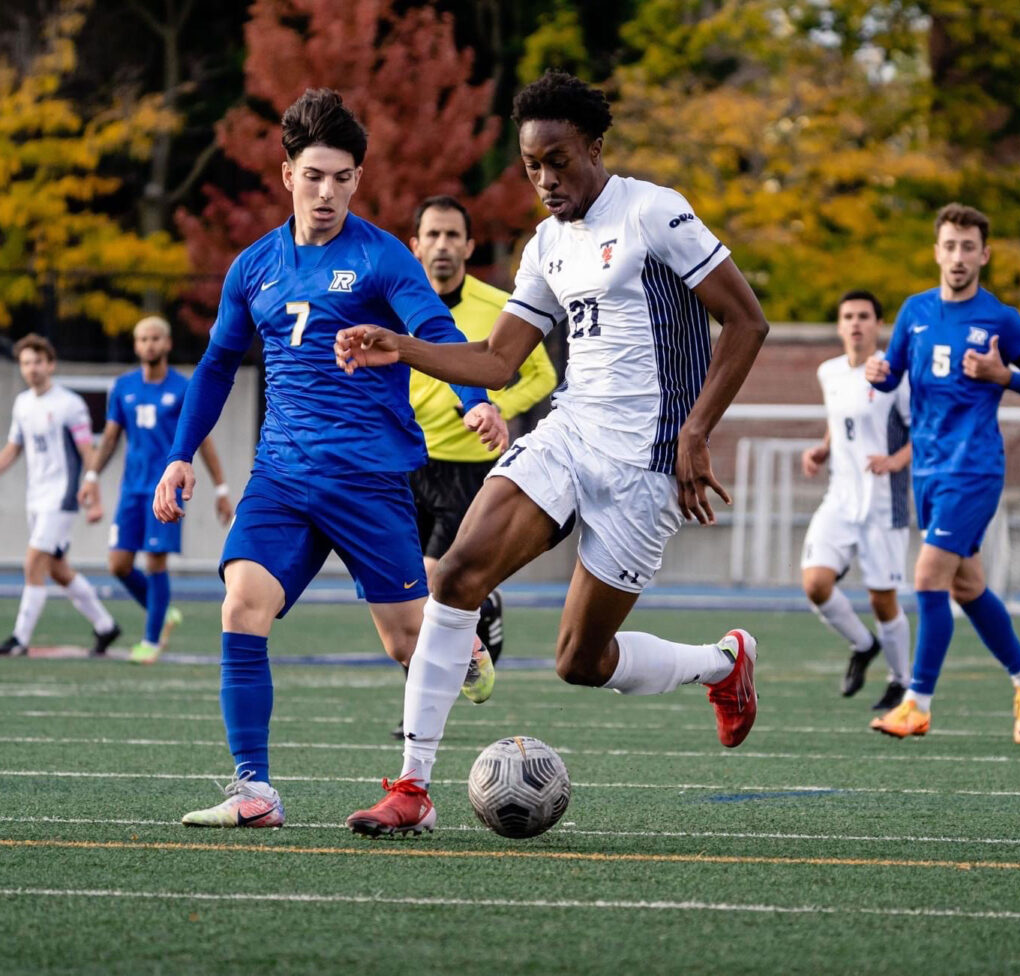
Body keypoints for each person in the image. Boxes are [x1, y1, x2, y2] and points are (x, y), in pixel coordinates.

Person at [337, 70, 769, 837]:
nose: (544, 180)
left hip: (648, 463)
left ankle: (721, 663)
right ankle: (412, 787)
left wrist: (697, 431)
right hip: (570, 434)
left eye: (559, 161)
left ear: (594, 147)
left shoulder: (656, 213)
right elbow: (500, 362)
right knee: (459, 574)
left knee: (580, 660)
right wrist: (401, 347)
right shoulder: (545, 245)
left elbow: (746, 322)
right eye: (532, 166)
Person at [152, 88, 506, 828]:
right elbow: (218, 365)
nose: (326, 192)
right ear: (287, 175)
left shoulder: (381, 258)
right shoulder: (253, 268)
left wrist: (476, 401)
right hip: (281, 475)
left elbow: (435, 330)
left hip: (370, 478)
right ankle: (254, 792)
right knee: (241, 605)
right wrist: (180, 455)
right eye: (313, 176)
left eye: (342, 178)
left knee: (407, 643)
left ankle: (453, 658)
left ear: (356, 180)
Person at [388, 195, 557, 737]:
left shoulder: (500, 306)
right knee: (408, 590)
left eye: (451, 236)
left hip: (468, 466)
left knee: (437, 579)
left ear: (468, 245)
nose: (441, 246)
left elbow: (543, 377)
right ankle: (474, 620)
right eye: (431, 235)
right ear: (414, 245)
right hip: (406, 463)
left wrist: (491, 405)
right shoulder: (392, 305)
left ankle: (430, 696)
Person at [866, 202, 1020, 741]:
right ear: (938, 251)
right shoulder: (915, 311)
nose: (958, 256)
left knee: (928, 577)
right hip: (928, 470)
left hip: (973, 468)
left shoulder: (1003, 320)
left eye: (968, 247)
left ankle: (917, 702)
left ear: (984, 254)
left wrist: (1004, 374)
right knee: (968, 586)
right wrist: (879, 372)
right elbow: (893, 380)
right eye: (950, 245)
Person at [78, 316, 233, 665]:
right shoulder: (123, 387)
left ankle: (151, 640)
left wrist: (222, 488)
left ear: (167, 344)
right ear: (136, 346)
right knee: (118, 564)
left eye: (155, 338)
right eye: (143, 339)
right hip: (131, 490)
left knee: (155, 563)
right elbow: (112, 438)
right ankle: (161, 612)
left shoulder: (183, 388)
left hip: (166, 489)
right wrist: (90, 478)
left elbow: (203, 441)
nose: (149, 344)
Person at [801, 290, 912, 710]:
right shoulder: (828, 372)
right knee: (815, 583)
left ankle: (901, 681)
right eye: (848, 316)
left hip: (884, 503)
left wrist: (894, 460)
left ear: (878, 324)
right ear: (839, 325)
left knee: (882, 598)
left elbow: (922, 433)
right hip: (839, 498)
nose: (855, 323)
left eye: (864, 316)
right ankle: (863, 645)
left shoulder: (892, 375)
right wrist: (822, 450)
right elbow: (839, 422)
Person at [0, 334, 121, 656]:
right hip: (35, 497)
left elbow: (87, 450)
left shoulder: (69, 404)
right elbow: (14, 447)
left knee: (33, 562)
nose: (32, 368)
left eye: (38, 361)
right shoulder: (23, 403)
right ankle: (106, 626)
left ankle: (19, 639)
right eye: (26, 363)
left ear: (50, 364)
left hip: (61, 497)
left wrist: (93, 495)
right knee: (57, 569)